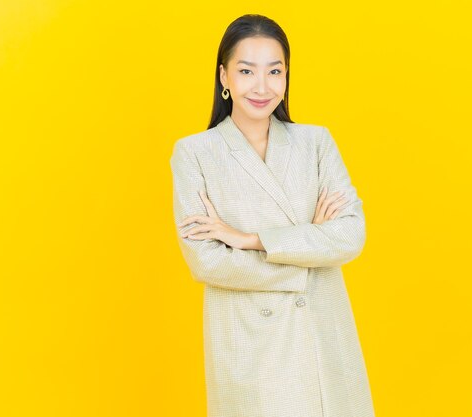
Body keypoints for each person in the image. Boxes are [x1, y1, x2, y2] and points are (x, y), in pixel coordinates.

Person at [170, 14, 375, 417]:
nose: (262, 86)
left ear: (286, 76)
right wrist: (310, 251)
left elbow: (351, 235)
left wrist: (251, 239)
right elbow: (207, 261)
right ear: (224, 77)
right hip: (251, 346)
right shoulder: (195, 153)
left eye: (275, 71)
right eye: (246, 71)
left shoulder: (315, 142)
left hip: (322, 336)